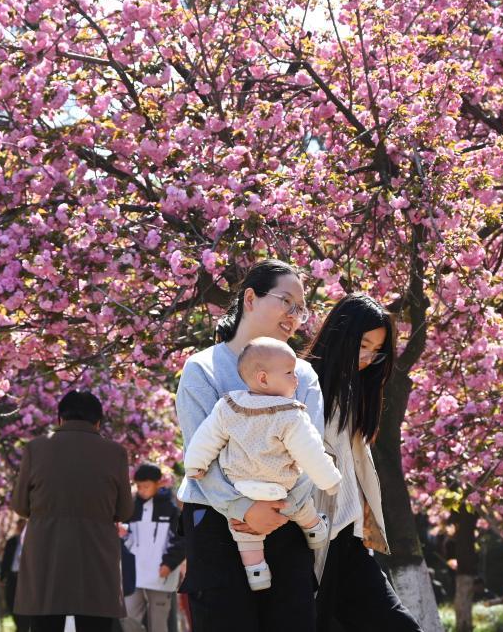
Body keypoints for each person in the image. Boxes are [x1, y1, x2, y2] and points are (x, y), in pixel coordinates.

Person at [175, 259, 323, 632]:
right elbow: (200, 458)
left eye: (300, 309)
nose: (294, 315)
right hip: (215, 523)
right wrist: (243, 508)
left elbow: (315, 455)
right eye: (286, 301)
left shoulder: (303, 376)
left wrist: (279, 508)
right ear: (251, 298)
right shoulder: (203, 368)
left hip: (284, 521)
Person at [303, 294, 421, 632]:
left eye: (376, 350)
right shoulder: (302, 385)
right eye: (363, 345)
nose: (368, 358)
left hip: (350, 542)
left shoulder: (352, 393)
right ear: (341, 334)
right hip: (310, 541)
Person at [183, 339, 340, 591]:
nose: (295, 378)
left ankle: (256, 573)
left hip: (242, 488)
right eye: (289, 372)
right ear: (264, 378)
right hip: (281, 488)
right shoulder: (290, 414)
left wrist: (194, 465)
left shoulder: (229, 406)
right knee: (301, 506)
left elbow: (206, 438)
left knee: (245, 536)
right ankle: (315, 531)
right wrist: (329, 480)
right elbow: (310, 453)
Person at [13, 389, 134, 632]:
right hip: (96, 553)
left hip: (46, 552)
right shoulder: (115, 453)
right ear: (98, 422)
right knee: (95, 623)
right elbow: (124, 511)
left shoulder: (35, 449)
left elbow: (20, 505)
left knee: (45, 623)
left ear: (59, 419)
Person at [120, 464, 185, 632]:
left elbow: (181, 541)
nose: (141, 490)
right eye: (138, 486)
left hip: (161, 575)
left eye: (146, 486)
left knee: (158, 623)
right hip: (135, 575)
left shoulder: (171, 510)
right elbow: (130, 540)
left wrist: (169, 564)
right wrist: (123, 533)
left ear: (158, 483)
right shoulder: (132, 507)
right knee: (128, 620)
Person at [0, 516, 29, 632]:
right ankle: (20, 626)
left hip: (27, 578)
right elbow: (6, 559)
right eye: (20, 526)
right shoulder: (12, 542)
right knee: (11, 602)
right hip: (13, 576)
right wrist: (2, 576)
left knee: (25, 604)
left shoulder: (33, 542)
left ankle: (24, 627)